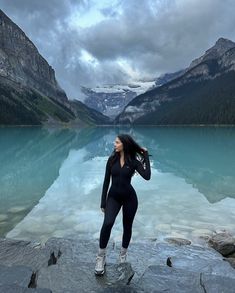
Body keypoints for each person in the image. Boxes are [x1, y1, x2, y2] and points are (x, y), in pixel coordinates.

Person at [95, 133, 151, 276]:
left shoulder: (133, 161)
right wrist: (103, 202)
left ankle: (122, 255)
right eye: (115, 142)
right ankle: (101, 257)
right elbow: (106, 181)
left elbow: (147, 176)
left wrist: (145, 156)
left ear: (124, 144)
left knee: (127, 227)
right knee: (107, 223)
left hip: (130, 198)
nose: (115, 144)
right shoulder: (111, 160)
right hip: (113, 197)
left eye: (117, 142)